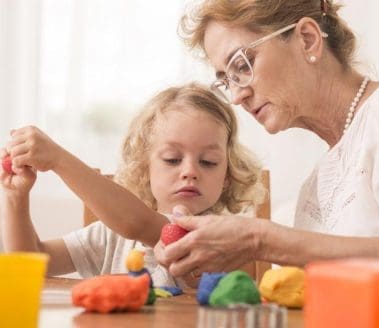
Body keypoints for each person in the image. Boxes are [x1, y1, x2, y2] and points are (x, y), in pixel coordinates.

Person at [154, 0, 379, 278]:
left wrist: (260, 240)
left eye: (242, 65)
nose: (237, 96)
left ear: (307, 40)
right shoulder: (316, 186)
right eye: (227, 80)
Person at [0, 83, 264, 286]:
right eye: (172, 159)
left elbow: (138, 224)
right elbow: (31, 262)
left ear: (227, 175)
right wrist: (15, 197)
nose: (190, 171)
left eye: (208, 162)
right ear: (144, 167)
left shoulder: (225, 240)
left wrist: (58, 159)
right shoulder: (108, 236)